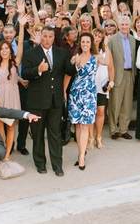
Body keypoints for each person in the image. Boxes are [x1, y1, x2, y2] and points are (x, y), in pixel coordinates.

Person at [21, 26, 71, 176]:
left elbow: (69, 70)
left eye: (50, 36)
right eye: (44, 36)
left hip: (55, 101)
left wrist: (75, 63)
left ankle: (57, 165)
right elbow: (24, 73)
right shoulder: (31, 53)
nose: (47, 39)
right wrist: (38, 69)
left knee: (55, 134)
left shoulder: (62, 53)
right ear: (40, 36)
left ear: (53, 38)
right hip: (36, 101)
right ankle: (40, 164)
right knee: (37, 135)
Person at [66, 33, 98, 170]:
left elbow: (108, 63)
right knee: (78, 126)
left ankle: (81, 158)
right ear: (80, 43)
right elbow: (68, 71)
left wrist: (106, 45)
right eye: (83, 41)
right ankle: (81, 152)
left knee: (85, 125)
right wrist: (74, 62)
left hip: (89, 94)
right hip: (75, 94)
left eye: (88, 42)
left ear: (91, 44)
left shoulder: (96, 58)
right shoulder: (75, 57)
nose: (85, 44)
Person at [0, 40, 22, 162]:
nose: (4, 51)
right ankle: (2, 150)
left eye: (6, 48)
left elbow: (21, 48)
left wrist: (22, 27)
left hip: (12, 96)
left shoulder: (15, 63)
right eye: (2, 49)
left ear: (10, 50)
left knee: (11, 127)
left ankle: (7, 154)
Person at [107, 15, 136, 140]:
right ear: (118, 26)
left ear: (129, 26)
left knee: (127, 104)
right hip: (117, 74)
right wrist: (110, 77)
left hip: (130, 74)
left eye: (126, 24)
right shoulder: (112, 40)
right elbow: (109, 59)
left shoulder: (133, 39)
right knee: (115, 103)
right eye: (122, 24)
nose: (124, 27)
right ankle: (114, 130)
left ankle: (124, 129)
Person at [93, 22, 117, 149]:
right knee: (91, 112)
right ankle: (90, 137)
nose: (97, 38)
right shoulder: (87, 49)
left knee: (101, 111)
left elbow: (111, 67)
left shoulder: (105, 49)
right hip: (89, 86)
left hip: (102, 85)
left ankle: (99, 137)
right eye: (95, 36)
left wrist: (111, 81)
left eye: (99, 36)